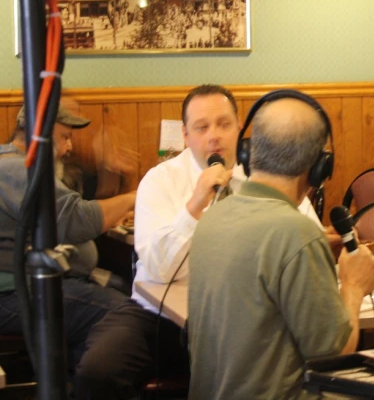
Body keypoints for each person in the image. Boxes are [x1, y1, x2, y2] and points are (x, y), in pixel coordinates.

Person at [73, 84, 336, 399]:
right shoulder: (160, 181)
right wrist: (195, 205)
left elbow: (305, 241)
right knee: (98, 370)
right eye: (202, 127)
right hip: (159, 320)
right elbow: (157, 270)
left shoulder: (268, 178)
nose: (215, 135)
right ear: (185, 135)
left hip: (242, 320)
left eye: (224, 124)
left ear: (240, 128)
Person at [188, 92, 374, 399]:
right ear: (320, 167)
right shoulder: (297, 233)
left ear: (247, 152)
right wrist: (354, 286)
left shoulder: (213, 215)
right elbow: (333, 355)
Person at [0, 104, 135, 370]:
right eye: (64, 137)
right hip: (13, 294)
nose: (68, 148)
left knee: (122, 290)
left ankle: (76, 382)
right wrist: (135, 197)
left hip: (30, 287)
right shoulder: (16, 169)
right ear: (42, 134)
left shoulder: (19, 166)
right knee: (128, 316)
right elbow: (75, 220)